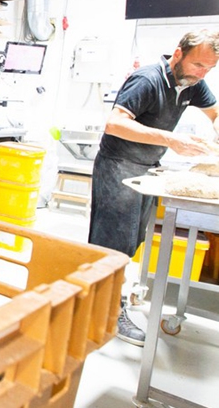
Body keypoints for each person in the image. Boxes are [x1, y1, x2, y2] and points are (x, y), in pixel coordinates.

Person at [88, 30, 219, 346]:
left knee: (132, 240)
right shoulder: (148, 79)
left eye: (209, 68)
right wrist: (171, 139)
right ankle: (104, 314)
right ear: (178, 54)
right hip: (118, 165)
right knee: (112, 244)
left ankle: (106, 302)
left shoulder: (192, 83)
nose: (202, 74)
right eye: (198, 65)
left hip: (146, 166)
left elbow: (215, 112)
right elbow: (115, 123)